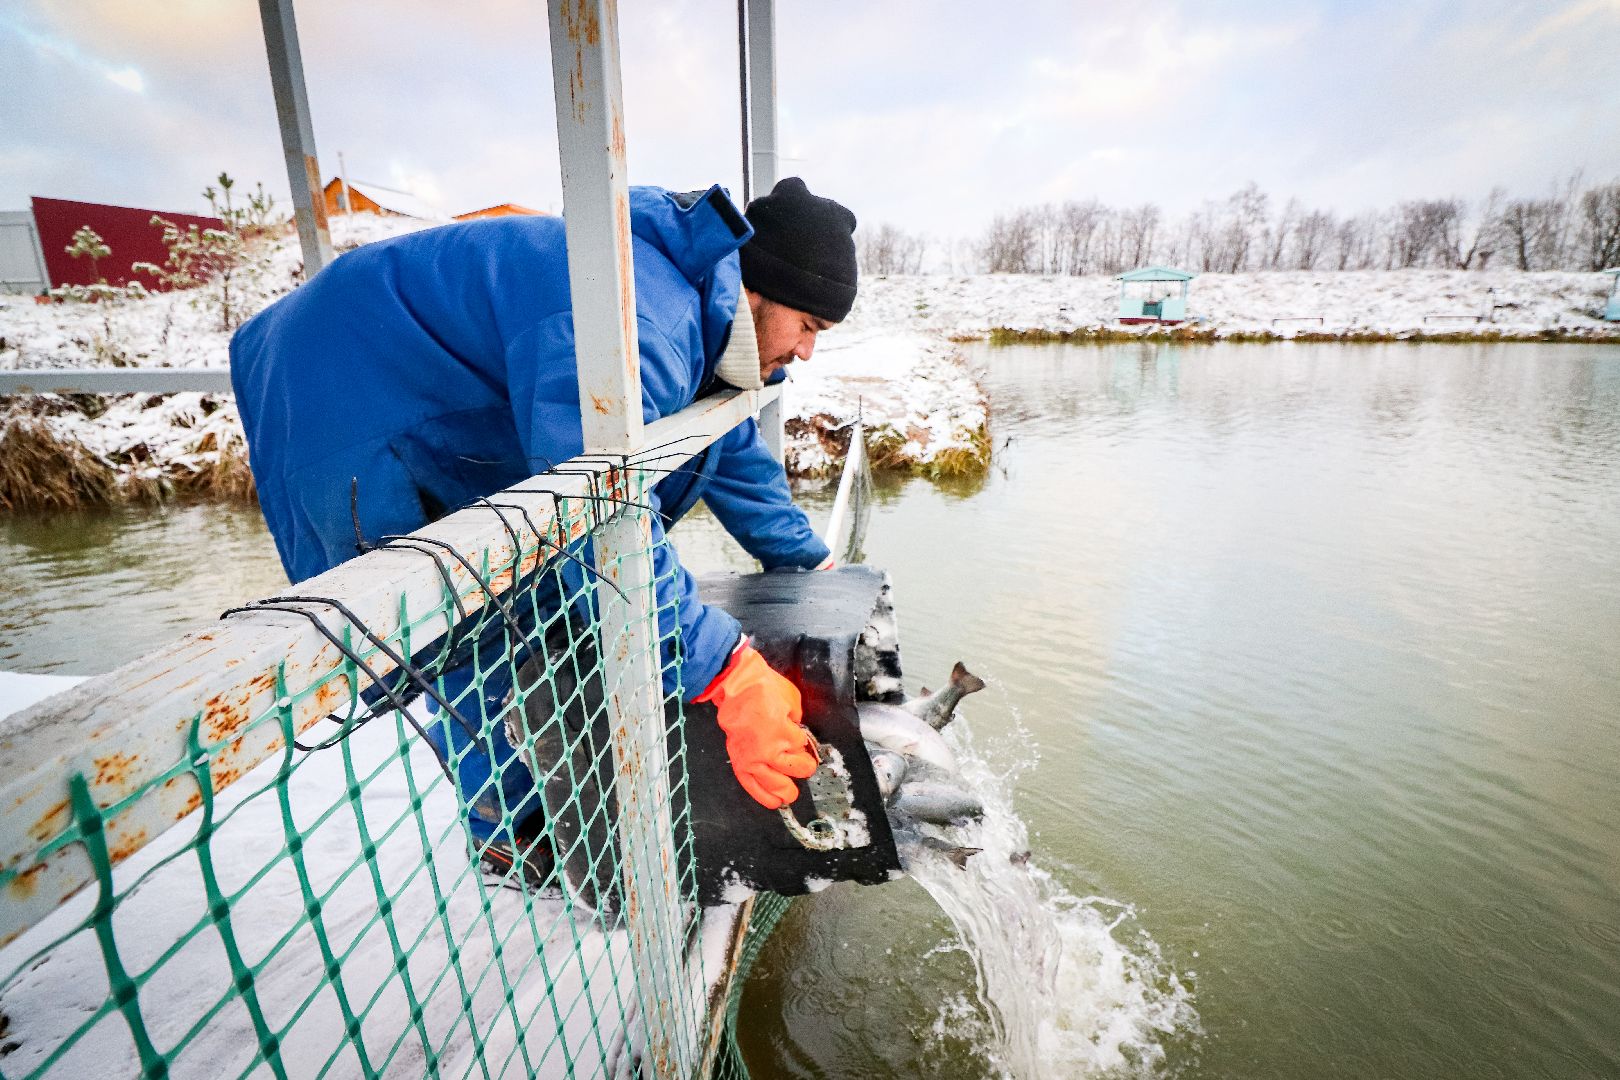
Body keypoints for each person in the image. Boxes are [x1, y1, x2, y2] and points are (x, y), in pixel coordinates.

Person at [230, 177, 859, 887]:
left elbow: (724, 446)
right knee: (463, 619)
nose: (807, 351)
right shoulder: (642, 321)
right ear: (757, 293)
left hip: (420, 387)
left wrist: (809, 561)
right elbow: (597, 522)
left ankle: (549, 798)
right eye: (808, 326)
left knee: (541, 599)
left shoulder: (698, 315)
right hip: (346, 387)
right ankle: (509, 835)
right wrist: (726, 669)